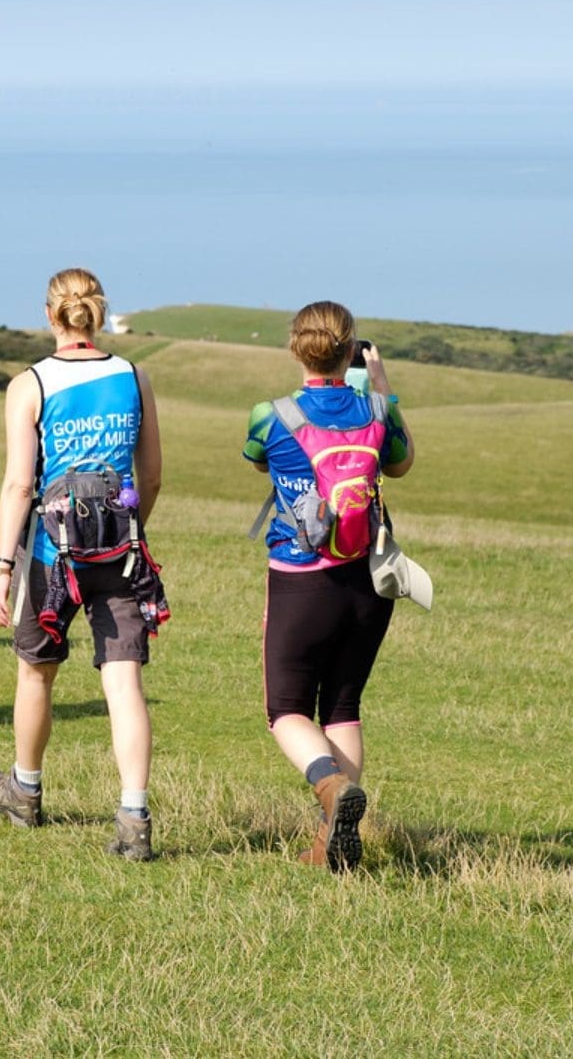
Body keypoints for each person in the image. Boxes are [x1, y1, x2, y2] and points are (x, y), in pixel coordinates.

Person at [0, 268, 167, 862]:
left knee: (36, 671)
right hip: (120, 548)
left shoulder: (29, 383)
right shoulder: (134, 376)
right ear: (100, 313)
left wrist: (2, 566)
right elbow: (154, 474)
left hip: (50, 555)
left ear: (50, 315)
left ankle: (25, 790)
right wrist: (130, 529)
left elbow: (18, 484)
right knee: (123, 680)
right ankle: (134, 814)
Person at [244, 301, 413, 873]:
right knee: (342, 703)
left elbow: (258, 462)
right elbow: (402, 464)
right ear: (351, 351)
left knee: (286, 710)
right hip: (369, 579)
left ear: (297, 348)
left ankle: (330, 788)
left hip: (301, 579)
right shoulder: (376, 409)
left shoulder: (271, 415)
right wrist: (382, 384)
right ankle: (331, 845)